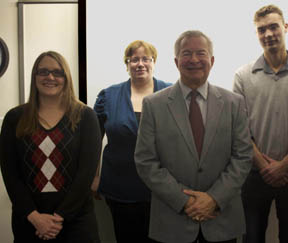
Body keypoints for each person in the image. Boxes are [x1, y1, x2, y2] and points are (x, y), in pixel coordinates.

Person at [134, 30, 253, 243]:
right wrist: (185, 201)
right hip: (172, 220)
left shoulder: (234, 103)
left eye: (201, 53)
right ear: (176, 61)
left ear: (212, 60)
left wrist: (214, 199)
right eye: (187, 53)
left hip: (221, 219)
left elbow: (242, 157)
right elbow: (146, 161)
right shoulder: (154, 105)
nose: (194, 60)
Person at [232, 5, 288, 243]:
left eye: (273, 27)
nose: (268, 34)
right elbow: (239, 129)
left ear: (285, 27)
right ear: (257, 34)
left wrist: (284, 165)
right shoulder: (242, 75)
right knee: (251, 238)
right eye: (262, 30)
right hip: (254, 174)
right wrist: (265, 166)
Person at [0, 51, 101, 242]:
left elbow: (86, 174)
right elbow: (10, 173)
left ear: (66, 77)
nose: (50, 77)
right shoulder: (15, 118)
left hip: (76, 221)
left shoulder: (85, 117)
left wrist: (59, 218)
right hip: (30, 221)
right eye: (43, 72)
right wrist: (34, 217)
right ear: (34, 76)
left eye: (57, 72)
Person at [92, 40, 170, 242]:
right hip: (120, 187)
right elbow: (94, 139)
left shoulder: (172, 94)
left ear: (154, 62)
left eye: (146, 58)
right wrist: (94, 177)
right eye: (134, 59)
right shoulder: (108, 96)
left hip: (164, 188)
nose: (140, 64)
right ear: (126, 65)